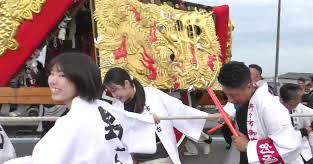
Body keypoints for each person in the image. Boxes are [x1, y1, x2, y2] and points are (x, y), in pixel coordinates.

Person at [4, 52, 158, 164]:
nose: (52, 81)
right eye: (52, 74)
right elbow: (131, 124)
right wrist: (148, 121)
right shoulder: (104, 108)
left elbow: (42, 161)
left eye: (62, 75)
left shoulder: (71, 123)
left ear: (81, 79)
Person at [103, 67, 217, 164]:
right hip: (136, 158)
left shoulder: (152, 94)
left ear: (126, 83)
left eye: (114, 90)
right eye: (110, 92)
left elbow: (179, 109)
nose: (114, 95)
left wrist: (210, 116)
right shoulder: (117, 106)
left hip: (159, 155)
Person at [218, 61, 302, 164]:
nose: (230, 100)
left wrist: (248, 146)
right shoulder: (245, 100)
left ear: (249, 86)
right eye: (226, 95)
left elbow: (289, 146)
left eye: (233, 95)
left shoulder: (270, 106)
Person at [279, 83, 313, 164]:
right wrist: (303, 131)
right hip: (285, 155)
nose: (301, 100)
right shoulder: (274, 111)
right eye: (299, 98)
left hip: (304, 152)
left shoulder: (300, 108)